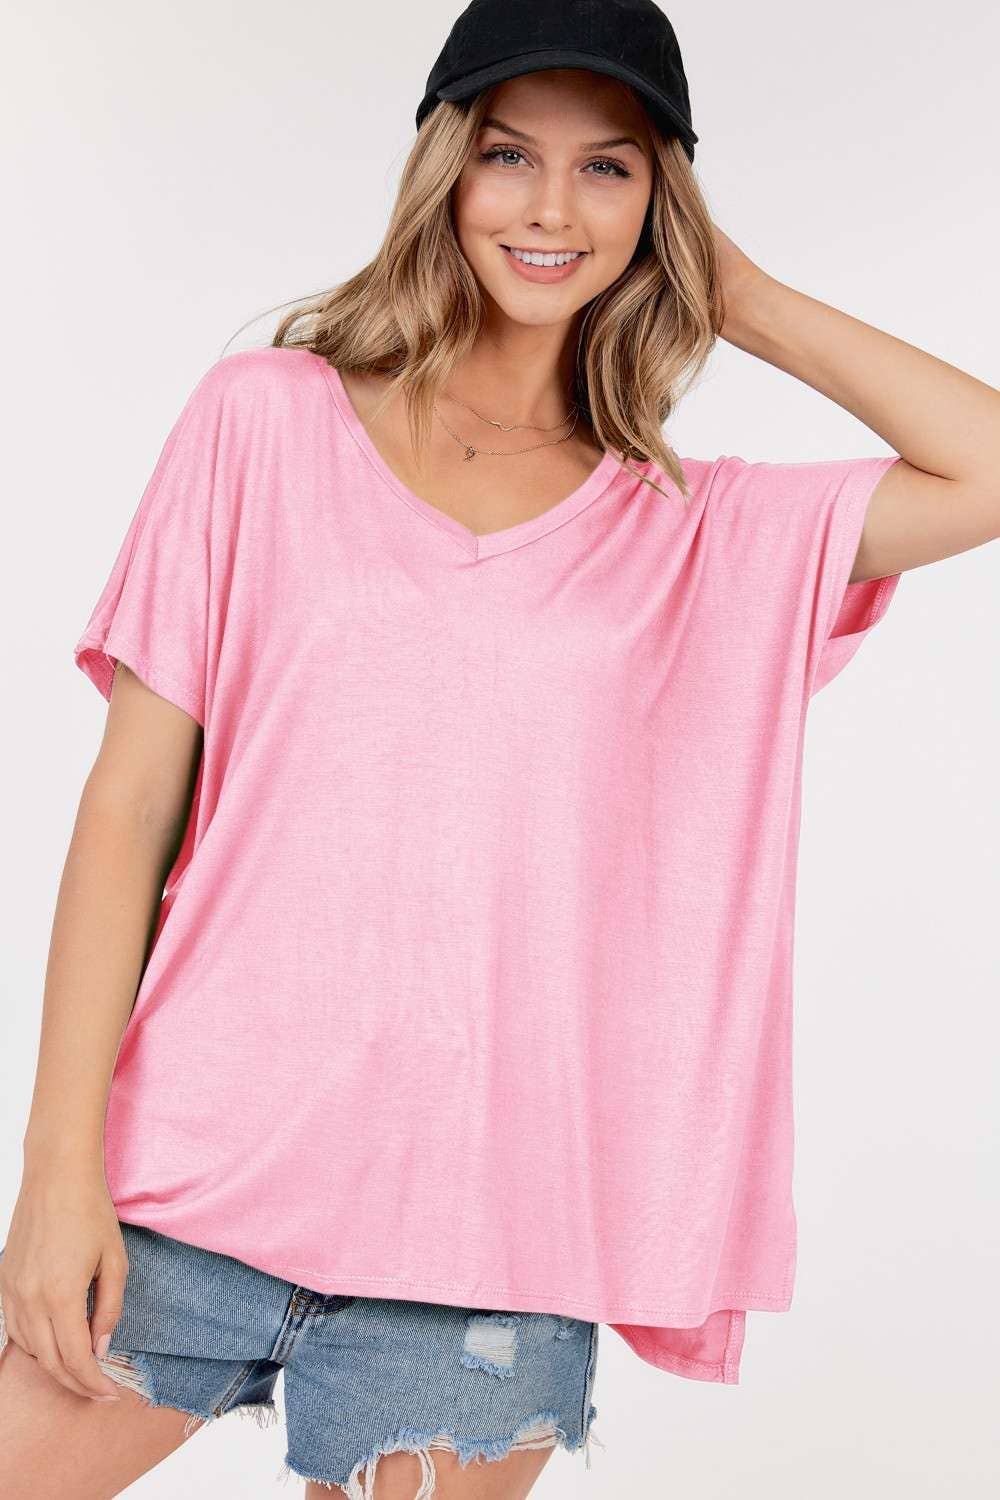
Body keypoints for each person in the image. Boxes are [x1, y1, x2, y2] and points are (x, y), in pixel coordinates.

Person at [2, 1, 998, 1496]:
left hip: (490, 1250)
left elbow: (986, 464)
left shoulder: (690, 530)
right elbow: (128, 805)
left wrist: (740, 294)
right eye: (509, 154)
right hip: (184, 1186)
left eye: (608, 167)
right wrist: (53, 1173)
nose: (549, 209)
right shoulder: (264, 422)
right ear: (446, 170)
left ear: (661, 200)